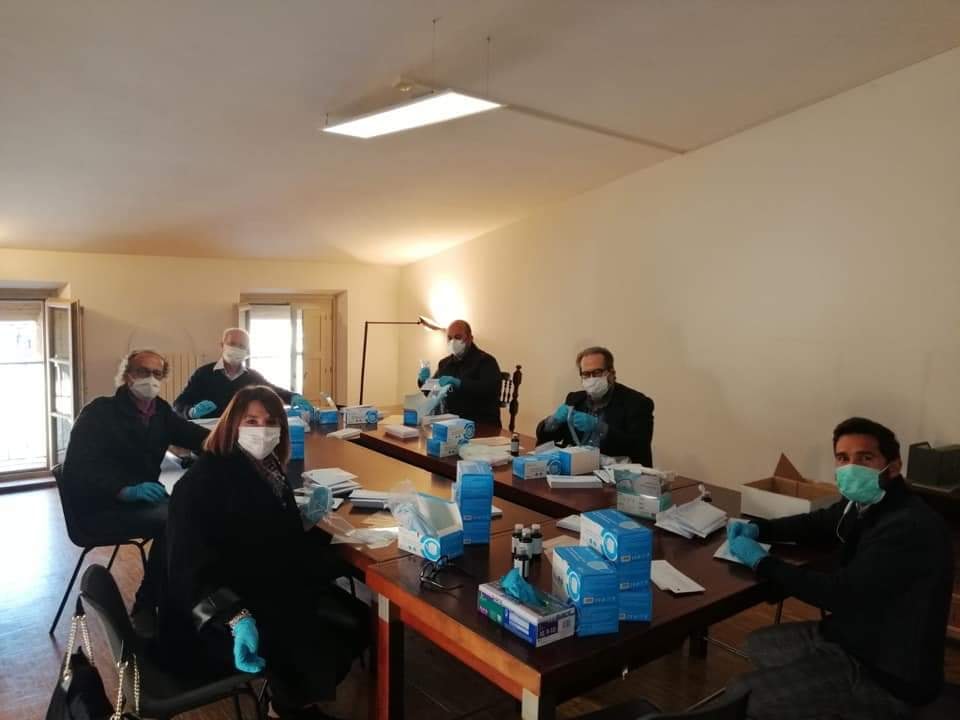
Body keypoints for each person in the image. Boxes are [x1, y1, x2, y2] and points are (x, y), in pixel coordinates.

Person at [160, 386, 367, 719]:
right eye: (251, 421)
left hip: (263, 582)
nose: (263, 429)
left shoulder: (265, 467)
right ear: (232, 424)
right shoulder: (202, 482)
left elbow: (264, 533)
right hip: (223, 609)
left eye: (271, 421)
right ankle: (287, 707)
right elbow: (188, 572)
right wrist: (236, 617)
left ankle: (290, 702)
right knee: (327, 636)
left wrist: (304, 524)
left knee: (358, 620)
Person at [726, 417, 954, 719]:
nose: (851, 468)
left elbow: (838, 594)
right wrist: (760, 528)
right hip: (854, 634)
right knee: (758, 644)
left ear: (894, 467)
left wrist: (763, 562)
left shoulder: (906, 526)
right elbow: (817, 523)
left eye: (865, 458)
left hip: (886, 672)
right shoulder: (866, 503)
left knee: (746, 695)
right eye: (843, 458)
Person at [62, 349, 209, 615]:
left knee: (188, 516)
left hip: (143, 503)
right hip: (100, 507)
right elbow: (78, 469)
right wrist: (123, 491)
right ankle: (148, 602)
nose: (150, 378)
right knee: (177, 520)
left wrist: (231, 439)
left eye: (156, 373)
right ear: (128, 375)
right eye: (143, 371)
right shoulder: (98, 412)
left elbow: (195, 435)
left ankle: (175, 596)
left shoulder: (160, 411)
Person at [535, 346, 654, 465]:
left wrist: (600, 428)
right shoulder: (575, 399)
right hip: (576, 468)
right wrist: (553, 421)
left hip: (615, 471)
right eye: (586, 374)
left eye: (597, 372)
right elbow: (545, 439)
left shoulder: (637, 403)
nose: (591, 379)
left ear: (611, 373)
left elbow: (640, 448)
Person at [173, 327, 314, 419]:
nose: (236, 349)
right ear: (222, 346)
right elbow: (179, 404)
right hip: (209, 435)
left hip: (243, 433)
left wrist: (293, 397)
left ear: (247, 350)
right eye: (232, 344)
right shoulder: (203, 374)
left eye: (241, 346)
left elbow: (273, 391)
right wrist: (191, 412)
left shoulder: (252, 377)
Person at [417, 319, 502, 427]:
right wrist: (424, 382)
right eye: (449, 338)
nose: (453, 341)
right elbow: (433, 394)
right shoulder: (444, 363)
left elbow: (490, 390)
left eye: (458, 337)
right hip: (449, 422)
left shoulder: (486, 361)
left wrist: (460, 383)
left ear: (470, 338)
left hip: (480, 423)